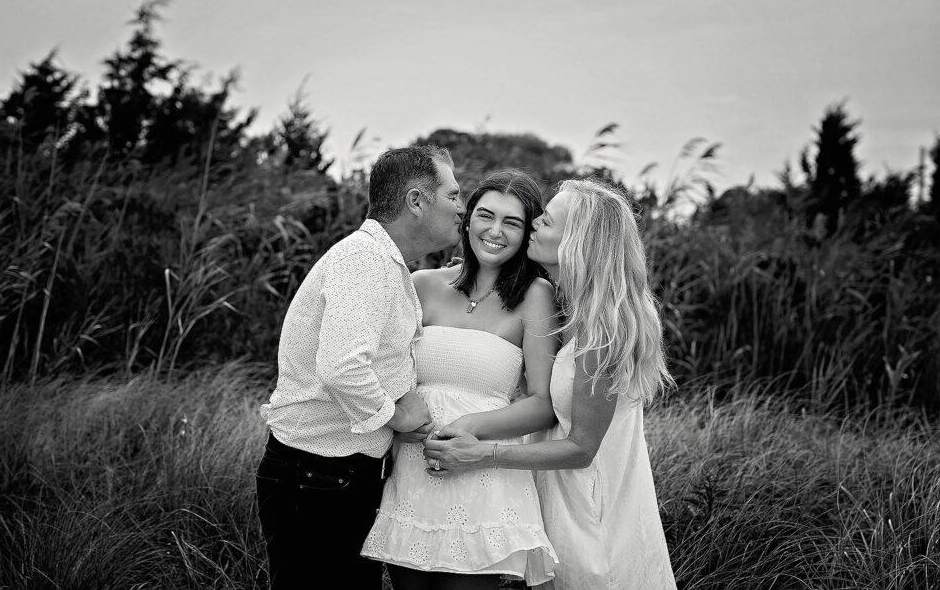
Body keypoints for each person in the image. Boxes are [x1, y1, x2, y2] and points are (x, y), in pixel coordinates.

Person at [424, 179, 678, 590]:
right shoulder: (575, 309)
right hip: (562, 502)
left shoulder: (604, 332)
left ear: (579, 241)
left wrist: (482, 454)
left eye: (548, 219)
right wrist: (472, 273)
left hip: (595, 518)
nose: (535, 222)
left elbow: (582, 448)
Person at [256, 144, 466, 590]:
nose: (461, 209)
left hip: (332, 474)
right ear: (416, 201)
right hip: (318, 475)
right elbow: (341, 368)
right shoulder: (365, 260)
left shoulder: (383, 261)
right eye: (453, 195)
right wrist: (395, 416)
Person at [362, 169, 560, 589]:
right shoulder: (421, 285)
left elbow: (543, 404)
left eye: (512, 222)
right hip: (412, 472)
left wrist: (470, 427)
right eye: (485, 216)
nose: (495, 231)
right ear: (467, 219)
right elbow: (382, 370)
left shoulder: (535, 295)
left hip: (480, 475)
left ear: (527, 232)